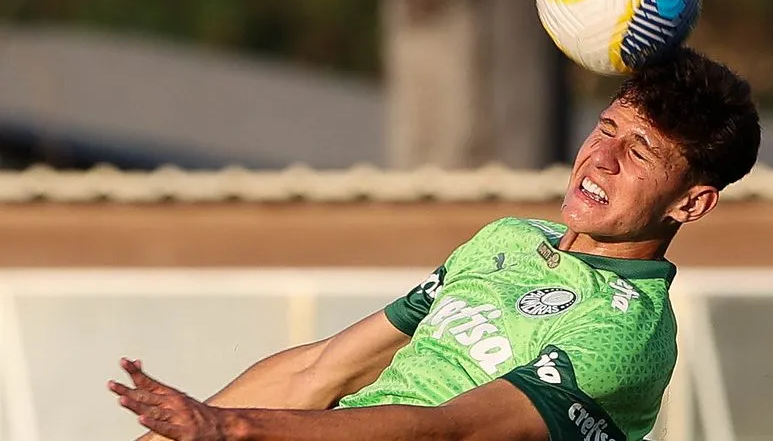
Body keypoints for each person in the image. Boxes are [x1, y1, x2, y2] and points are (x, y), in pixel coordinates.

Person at [109, 47, 761, 441]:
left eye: (639, 152)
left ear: (690, 202)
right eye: (606, 127)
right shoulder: (507, 239)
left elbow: (449, 431)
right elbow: (324, 368)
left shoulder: (624, 332)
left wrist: (233, 429)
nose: (602, 157)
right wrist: (187, 429)